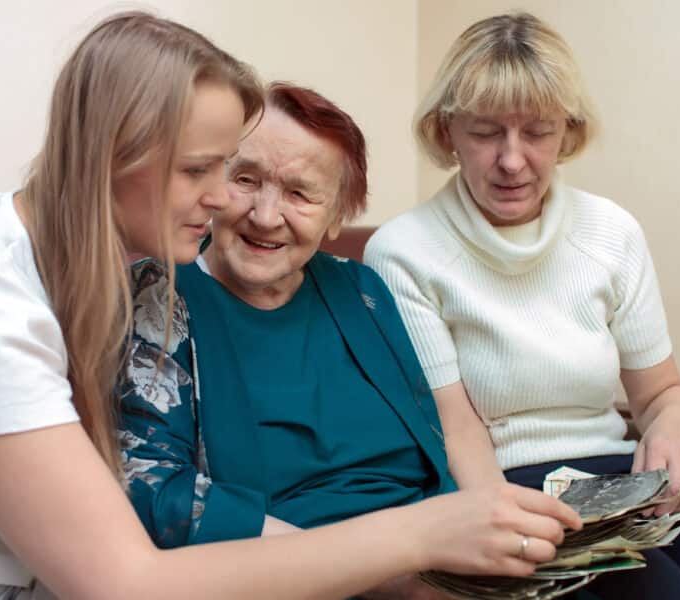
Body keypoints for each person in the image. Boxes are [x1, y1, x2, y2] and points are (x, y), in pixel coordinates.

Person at [0, 11, 582, 600]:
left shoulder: (133, 268)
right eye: (206, 170)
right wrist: (422, 536)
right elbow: (123, 580)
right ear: (111, 152)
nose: (231, 202)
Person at [364, 12, 680, 600]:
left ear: (568, 132)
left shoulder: (609, 232)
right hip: (502, 487)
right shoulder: (404, 251)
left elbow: (660, 391)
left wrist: (679, 430)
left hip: (621, 479)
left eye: (537, 132)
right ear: (447, 133)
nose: (513, 160)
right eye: (487, 132)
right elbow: (455, 428)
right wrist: (508, 531)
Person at [118, 82, 582, 600]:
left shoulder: (361, 289)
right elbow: (155, 491)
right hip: (307, 578)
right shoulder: (159, 298)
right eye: (246, 179)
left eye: (299, 194)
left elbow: (444, 432)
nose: (267, 214)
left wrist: (500, 531)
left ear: (338, 215)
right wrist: (381, 569)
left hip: (449, 569)